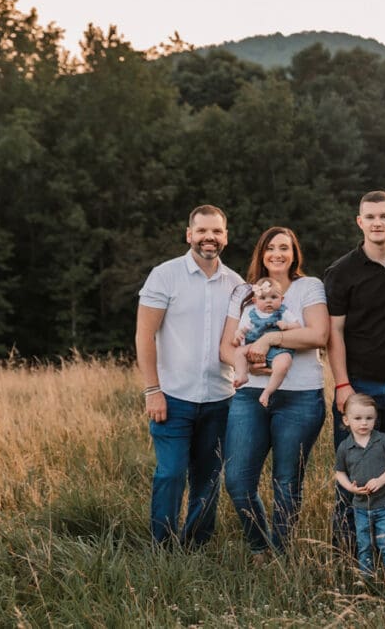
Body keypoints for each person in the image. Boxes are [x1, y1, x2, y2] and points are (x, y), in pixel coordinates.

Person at [136, 204, 243, 546]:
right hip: (173, 398)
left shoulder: (237, 284)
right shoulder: (165, 275)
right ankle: (163, 546)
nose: (208, 238)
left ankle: (196, 544)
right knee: (170, 473)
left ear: (225, 237)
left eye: (216, 231)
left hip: (220, 399)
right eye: (202, 231)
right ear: (189, 235)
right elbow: (144, 335)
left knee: (208, 478)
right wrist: (153, 390)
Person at [220, 226, 329, 555]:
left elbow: (318, 336)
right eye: (271, 247)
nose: (277, 254)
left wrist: (270, 339)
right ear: (261, 253)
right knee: (237, 480)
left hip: (301, 397)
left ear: (295, 253)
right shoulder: (243, 292)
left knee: (286, 482)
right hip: (250, 395)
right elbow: (226, 347)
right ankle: (259, 546)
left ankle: (282, 555)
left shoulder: (309, 287)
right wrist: (248, 364)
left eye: (285, 247)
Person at [324, 191, 385, 548]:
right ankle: (349, 547)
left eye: (384, 216)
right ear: (359, 222)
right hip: (358, 385)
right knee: (352, 467)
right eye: (370, 216)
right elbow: (333, 331)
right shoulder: (342, 271)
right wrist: (342, 385)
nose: (377, 222)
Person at [335, 394, 385, 576]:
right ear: (346, 420)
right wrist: (349, 487)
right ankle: (366, 578)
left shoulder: (382, 440)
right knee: (364, 544)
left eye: (369, 418)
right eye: (358, 418)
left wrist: (380, 481)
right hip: (361, 506)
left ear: (375, 419)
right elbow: (339, 472)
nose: (364, 423)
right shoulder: (345, 447)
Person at [231, 278, 297, 407]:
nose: (268, 301)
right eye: (263, 298)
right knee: (239, 352)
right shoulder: (253, 314)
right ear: (255, 301)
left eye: (273, 297)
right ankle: (242, 374)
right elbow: (245, 329)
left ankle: (268, 391)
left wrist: (287, 326)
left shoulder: (283, 312)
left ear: (281, 299)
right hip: (254, 345)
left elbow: (298, 326)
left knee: (284, 364)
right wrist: (238, 334)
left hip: (278, 349)